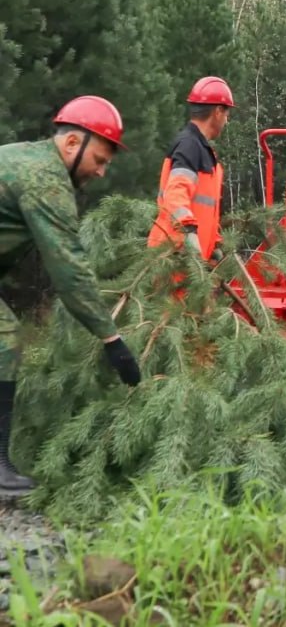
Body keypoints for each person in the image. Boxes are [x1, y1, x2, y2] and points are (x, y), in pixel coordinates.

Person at [0, 96, 144, 496]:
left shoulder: (24, 158)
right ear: (71, 144)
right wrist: (112, 339)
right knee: (5, 339)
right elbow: (70, 271)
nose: (101, 171)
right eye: (99, 159)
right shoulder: (45, 180)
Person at [147, 76, 233, 263]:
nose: (227, 120)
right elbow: (175, 196)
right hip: (176, 255)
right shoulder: (190, 146)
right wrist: (188, 233)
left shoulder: (201, 150)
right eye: (226, 114)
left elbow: (204, 209)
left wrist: (214, 243)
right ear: (218, 111)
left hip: (190, 257)